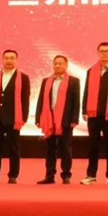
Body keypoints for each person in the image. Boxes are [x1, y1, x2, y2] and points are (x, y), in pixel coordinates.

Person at [0, 49, 31, 184]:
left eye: (12, 58)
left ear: (16, 60)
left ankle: (13, 175)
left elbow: (25, 99)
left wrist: (23, 117)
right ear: (2, 60)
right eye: (6, 58)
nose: (9, 61)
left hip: (14, 118)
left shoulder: (23, 78)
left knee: (13, 148)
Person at [81, 42, 108, 185]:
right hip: (93, 114)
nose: (104, 53)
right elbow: (86, 91)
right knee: (92, 145)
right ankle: (91, 175)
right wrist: (84, 110)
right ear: (98, 53)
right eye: (101, 51)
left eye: (107, 51)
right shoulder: (91, 71)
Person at [34, 55, 81, 184]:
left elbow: (76, 102)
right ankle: (49, 175)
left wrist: (74, 119)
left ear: (66, 65)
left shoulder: (73, 81)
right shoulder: (46, 81)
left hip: (65, 120)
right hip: (49, 119)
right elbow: (40, 100)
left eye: (60, 63)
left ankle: (66, 175)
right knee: (50, 149)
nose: (57, 66)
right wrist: (38, 118)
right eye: (55, 63)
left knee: (65, 148)